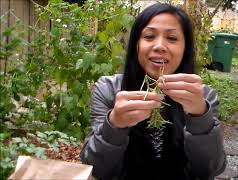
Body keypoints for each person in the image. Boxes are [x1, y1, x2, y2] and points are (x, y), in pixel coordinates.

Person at [80, 3, 226, 180]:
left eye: (172, 38)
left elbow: (210, 170)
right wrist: (115, 124)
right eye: (149, 36)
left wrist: (200, 116)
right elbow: (95, 169)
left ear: (185, 48)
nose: (159, 46)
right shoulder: (110, 90)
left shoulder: (203, 96)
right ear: (136, 45)